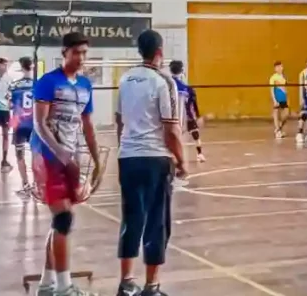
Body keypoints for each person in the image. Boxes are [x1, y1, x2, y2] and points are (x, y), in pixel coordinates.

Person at [116, 31, 186, 296]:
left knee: (131, 218)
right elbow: (171, 130)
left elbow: (119, 121)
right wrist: (181, 160)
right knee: (157, 221)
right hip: (155, 158)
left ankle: (126, 284)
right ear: (159, 51)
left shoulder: (124, 79)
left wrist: (125, 148)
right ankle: (151, 286)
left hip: (128, 157)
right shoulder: (163, 81)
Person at [31, 32, 101, 296]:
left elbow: (88, 125)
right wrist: (62, 156)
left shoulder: (85, 85)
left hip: (71, 157)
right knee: (63, 218)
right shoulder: (48, 82)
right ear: (64, 53)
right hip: (47, 157)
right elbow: (39, 124)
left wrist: (95, 161)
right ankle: (64, 287)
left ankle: (47, 284)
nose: (81, 58)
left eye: (84, 52)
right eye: (76, 52)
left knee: (61, 222)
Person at [169, 60, 205, 162]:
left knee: (172, 136)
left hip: (171, 118)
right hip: (186, 116)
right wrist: (198, 116)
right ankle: (199, 154)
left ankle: (172, 155)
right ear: (181, 71)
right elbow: (193, 104)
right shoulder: (187, 89)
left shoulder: (165, 87)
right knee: (195, 134)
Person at [11, 56, 35, 196]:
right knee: (35, 154)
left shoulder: (14, 85)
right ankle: (36, 184)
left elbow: (10, 104)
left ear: (21, 67)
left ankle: (25, 184)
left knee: (20, 155)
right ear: (31, 66)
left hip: (19, 124)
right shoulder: (37, 85)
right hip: (34, 124)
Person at [269, 61, 289, 140]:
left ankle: (279, 128)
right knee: (276, 114)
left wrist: (287, 98)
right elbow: (271, 90)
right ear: (275, 69)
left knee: (286, 115)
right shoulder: (273, 77)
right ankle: (277, 131)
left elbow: (285, 89)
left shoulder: (284, 77)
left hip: (284, 98)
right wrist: (274, 100)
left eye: (281, 66)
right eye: (277, 67)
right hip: (277, 98)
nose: (279, 68)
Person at [296, 59, 307, 146]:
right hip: (305, 96)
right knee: (303, 114)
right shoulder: (303, 73)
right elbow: (300, 87)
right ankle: (299, 133)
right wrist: (301, 99)